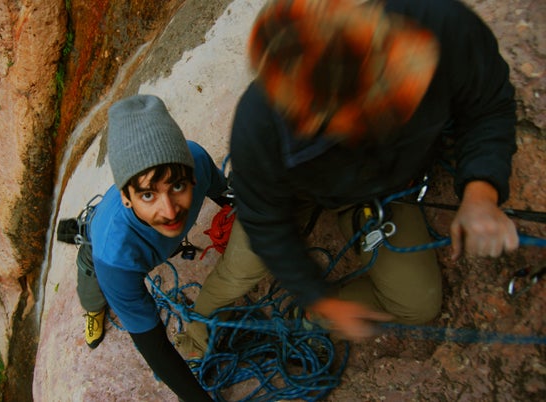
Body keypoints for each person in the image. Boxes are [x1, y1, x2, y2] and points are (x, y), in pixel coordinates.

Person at [181, 0, 520, 352]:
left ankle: (301, 321)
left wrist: (481, 191)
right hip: (292, 188)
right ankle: (196, 329)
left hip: (376, 189)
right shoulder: (260, 125)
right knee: (240, 269)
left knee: (418, 302)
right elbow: (265, 222)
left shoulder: (441, 29)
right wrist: (317, 294)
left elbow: (489, 105)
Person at [74, 94, 229, 401]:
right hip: (101, 248)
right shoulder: (114, 257)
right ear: (126, 197)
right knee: (94, 290)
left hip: (144, 243)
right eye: (148, 195)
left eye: (177, 186)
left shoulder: (195, 159)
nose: (171, 211)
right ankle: (92, 310)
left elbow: (225, 194)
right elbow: (155, 347)